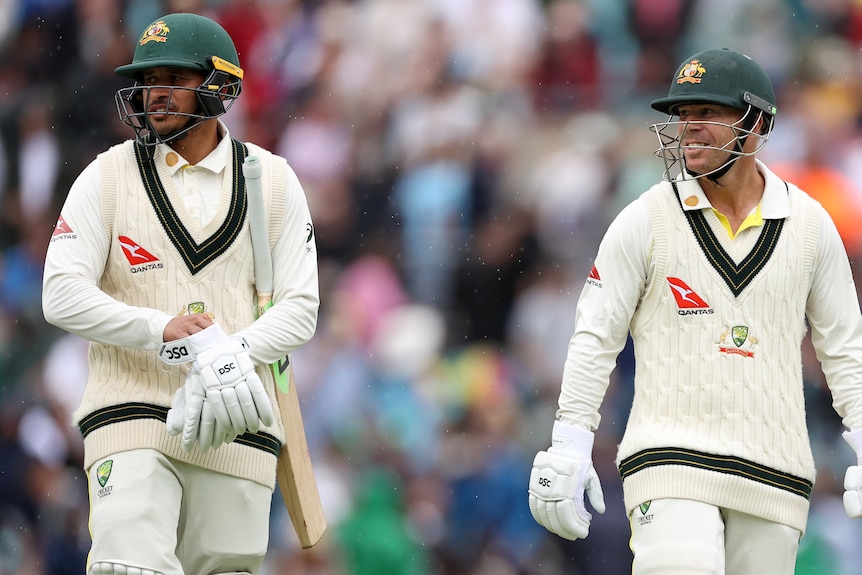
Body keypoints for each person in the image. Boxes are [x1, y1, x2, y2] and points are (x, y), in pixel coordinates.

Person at [527, 47, 862, 574]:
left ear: (754, 122)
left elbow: (845, 348)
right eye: (683, 117)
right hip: (669, 459)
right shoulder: (645, 220)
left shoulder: (811, 225)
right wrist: (570, 441)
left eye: (706, 113)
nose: (689, 129)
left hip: (775, 473)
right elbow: (596, 336)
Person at [42, 12, 319, 575]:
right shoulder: (107, 175)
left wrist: (227, 356)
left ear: (219, 85)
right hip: (132, 415)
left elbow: (300, 308)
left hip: (238, 424)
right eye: (147, 80)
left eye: (173, 78)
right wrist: (158, 329)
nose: (153, 94)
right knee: (128, 567)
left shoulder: (274, 180)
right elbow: (60, 294)